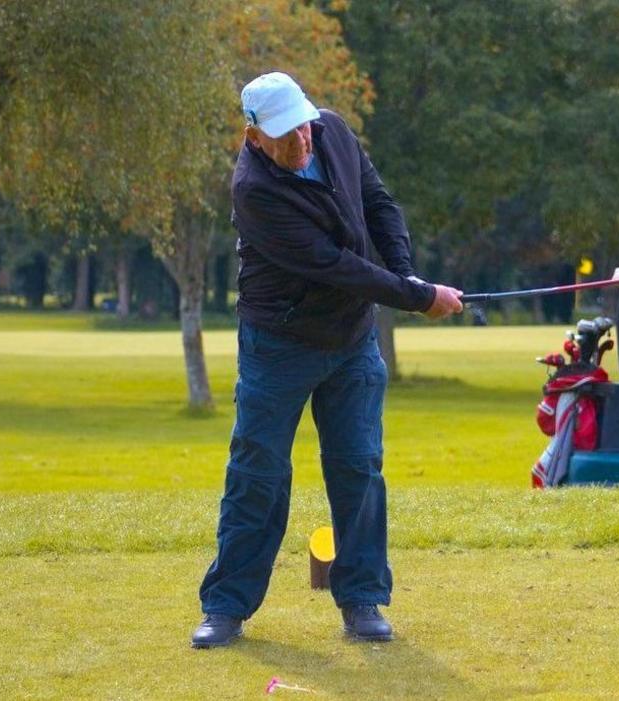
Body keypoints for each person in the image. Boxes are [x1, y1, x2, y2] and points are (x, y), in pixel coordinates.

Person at [191, 72, 463, 649]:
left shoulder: (333, 131)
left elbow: (379, 204)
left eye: (304, 125)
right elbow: (335, 265)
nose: (303, 141)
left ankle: (362, 599)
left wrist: (407, 270)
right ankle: (226, 607)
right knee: (257, 474)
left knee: (359, 467)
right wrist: (417, 297)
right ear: (255, 136)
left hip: (351, 341)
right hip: (279, 346)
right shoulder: (254, 191)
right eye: (287, 135)